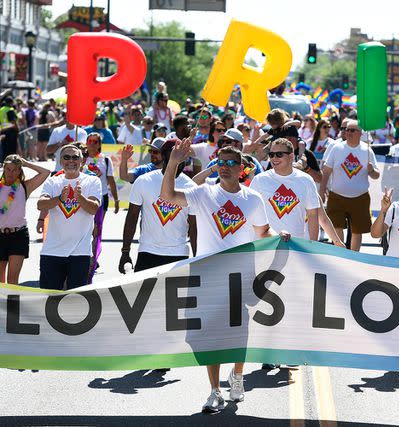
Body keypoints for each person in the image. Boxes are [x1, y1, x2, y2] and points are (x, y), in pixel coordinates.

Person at [161, 142, 288, 413]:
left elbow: (263, 232)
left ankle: (238, 377)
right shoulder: (203, 193)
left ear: (241, 168)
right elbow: (169, 197)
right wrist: (173, 162)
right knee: (211, 337)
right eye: (222, 162)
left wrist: (280, 236)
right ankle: (214, 391)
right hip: (207, 277)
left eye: (232, 163)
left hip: (240, 277)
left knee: (239, 334)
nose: (226, 167)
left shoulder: (253, 199)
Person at [120, 138, 197, 273]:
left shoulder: (191, 187)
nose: (180, 159)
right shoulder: (144, 181)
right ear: (163, 155)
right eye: (175, 154)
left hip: (178, 254)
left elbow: (194, 227)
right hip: (147, 252)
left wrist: (198, 259)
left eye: (183, 155)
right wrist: (125, 252)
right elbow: (132, 217)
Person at [36, 144, 102, 289]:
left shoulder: (92, 181)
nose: (71, 161)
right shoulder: (53, 181)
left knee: (75, 302)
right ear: (61, 161)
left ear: (82, 161)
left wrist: (81, 198)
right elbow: (41, 204)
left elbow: (93, 209)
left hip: (80, 253)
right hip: (52, 251)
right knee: (49, 299)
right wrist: (59, 199)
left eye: (75, 157)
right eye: (67, 157)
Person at [319, 120, 380, 251]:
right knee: (336, 227)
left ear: (360, 133)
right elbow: (326, 171)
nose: (348, 132)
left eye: (352, 130)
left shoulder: (367, 150)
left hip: (360, 197)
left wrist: (371, 170)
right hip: (337, 196)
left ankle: (354, 257)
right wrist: (322, 190)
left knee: (357, 230)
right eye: (347, 130)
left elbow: (376, 175)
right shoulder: (337, 148)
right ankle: (341, 255)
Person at [250, 138, 320, 240]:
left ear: (291, 156)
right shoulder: (259, 180)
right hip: (266, 244)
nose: (274, 158)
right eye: (271, 155)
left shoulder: (306, 180)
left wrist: (313, 246)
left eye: (279, 154)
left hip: (296, 244)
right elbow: (251, 214)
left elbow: (313, 215)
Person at [0, 155, 49, 284]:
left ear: (20, 171)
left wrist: (27, 163)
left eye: (15, 169)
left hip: (18, 235)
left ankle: (12, 305)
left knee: (12, 280)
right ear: (3, 169)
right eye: (8, 169)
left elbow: (46, 173)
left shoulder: (25, 186)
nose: (11, 173)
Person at [83, 132, 120, 282]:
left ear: (99, 144)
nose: (91, 144)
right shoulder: (81, 158)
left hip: (100, 198)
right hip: (83, 198)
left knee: (96, 229)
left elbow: (110, 180)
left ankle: (93, 257)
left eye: (95, 141)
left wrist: (116, 200)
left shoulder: (105, 160)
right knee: (85, 227)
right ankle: (83, 256)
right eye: (89, 141)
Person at [0, 97, 18, 161]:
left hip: (3, 131)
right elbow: (13, 122)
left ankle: (4, 162)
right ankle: (12, 162)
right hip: (11, 132)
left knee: (4, 148)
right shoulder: (10, 110)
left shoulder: (1, 109)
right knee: (11, 149)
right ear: (11, 103)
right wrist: (17, 130)